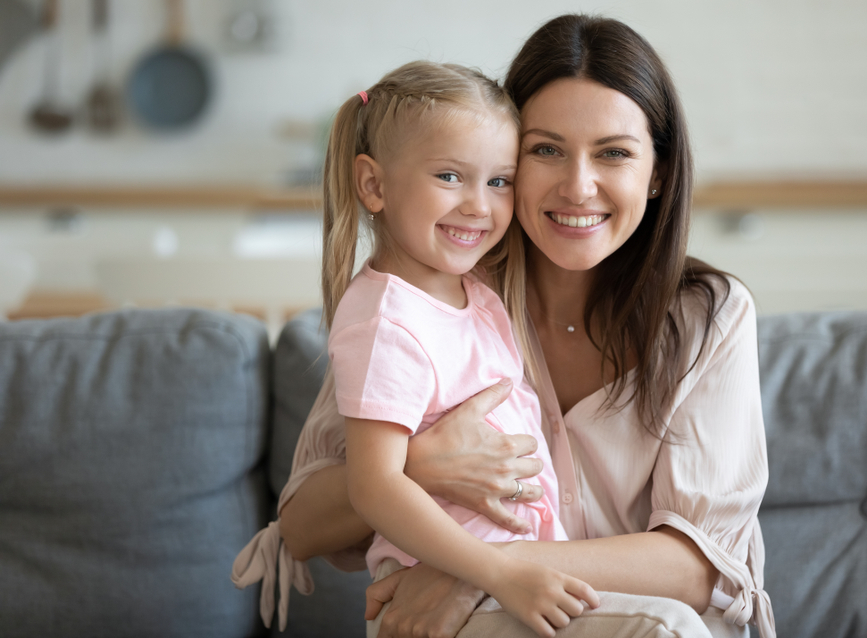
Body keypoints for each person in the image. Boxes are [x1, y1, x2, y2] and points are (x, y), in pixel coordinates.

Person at [248, 14, 775, 638]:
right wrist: (422, 466)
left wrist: (479, 571)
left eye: (614, 154)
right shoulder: (435, 300)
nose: (579, 187)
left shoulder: (707, 316)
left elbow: (698, 568)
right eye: (545, 150)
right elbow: (303, 525)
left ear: (657, 172)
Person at [233, 60, 600, 637]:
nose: (480, 204)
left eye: (499, 181)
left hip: (505, 581)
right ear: (374, 185)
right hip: (453, 598)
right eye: (450, 176)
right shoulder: (387, 322)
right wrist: (502, 573)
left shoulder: (476, 294)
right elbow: (374, 486)